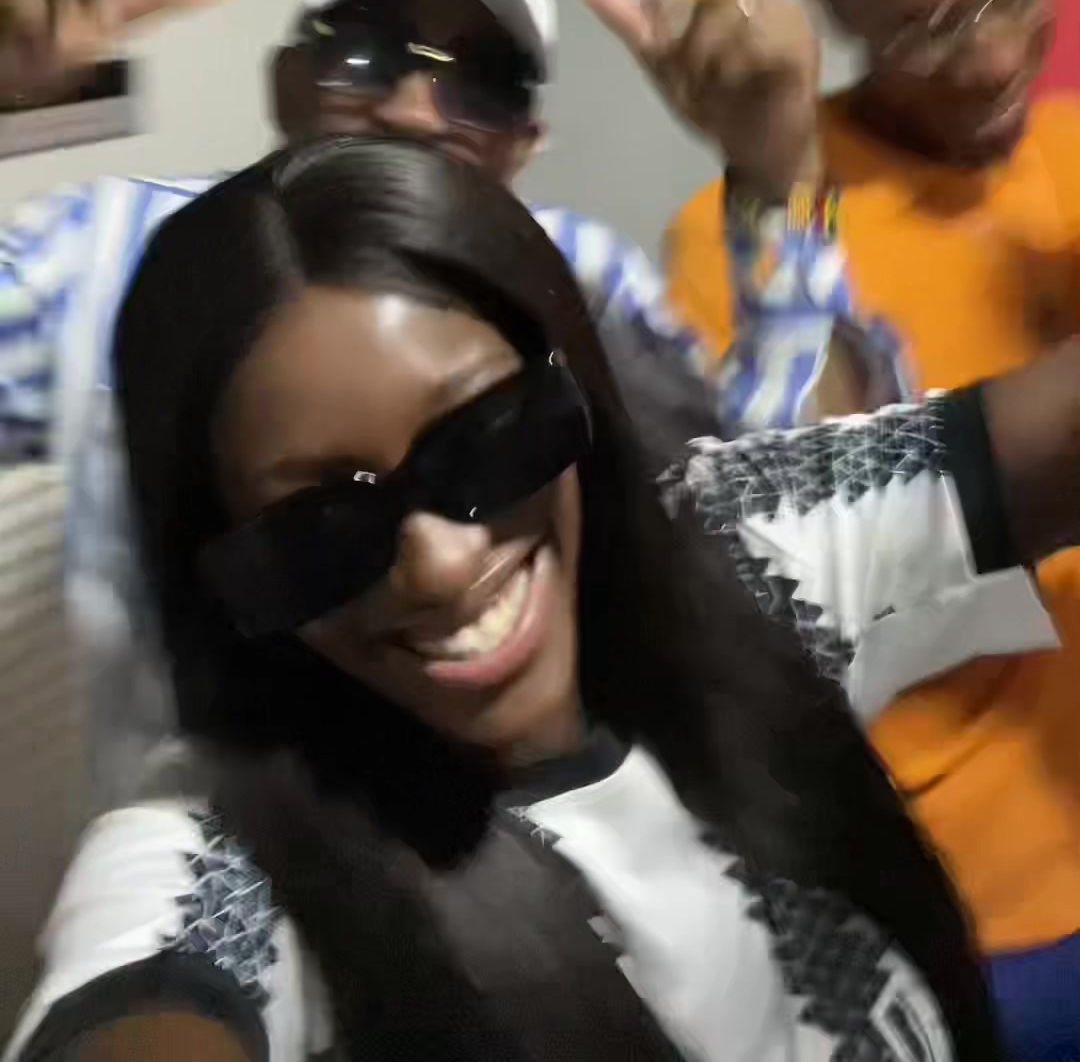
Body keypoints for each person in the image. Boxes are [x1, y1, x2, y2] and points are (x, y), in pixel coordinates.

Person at [29, 132, 1080, 1061]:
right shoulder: (231, 850)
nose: (440, 564)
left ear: (569, 377)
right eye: (318, 530)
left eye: (487, 438)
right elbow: (143, 993)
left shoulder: (732, 551)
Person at [0, 0, 891, 811]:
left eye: (485, 79)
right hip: (212, 869)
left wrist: (780, 180)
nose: (420, 109)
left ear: (524, 143)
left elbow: (798, 509)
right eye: (368, 53)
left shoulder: (578, 280)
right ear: (286, 82)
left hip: (535, 862)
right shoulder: (105, 255)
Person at [660, 0, 1080, 1057]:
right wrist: (777, 173)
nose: (995, 57)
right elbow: (806, 541)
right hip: (964, 902)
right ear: (839, 12)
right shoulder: (743, 234)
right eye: (935, 26)